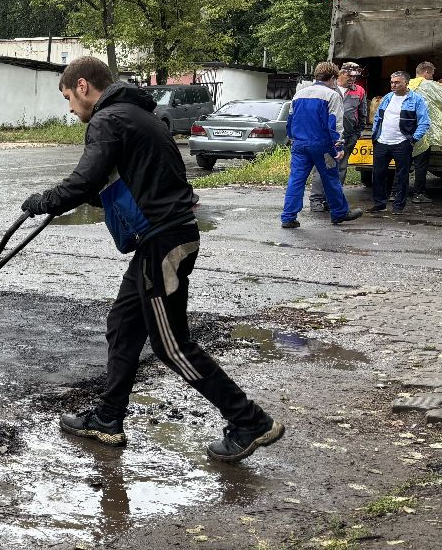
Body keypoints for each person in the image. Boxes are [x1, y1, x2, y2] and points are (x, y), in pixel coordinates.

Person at [20, 57, 284, 464]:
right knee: (124, 324)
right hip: (162, 238)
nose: (70, 108)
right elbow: (131, 179)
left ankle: (249, 420)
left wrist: (43, 201)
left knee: (171, 345)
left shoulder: (108, 120)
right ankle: (108, 417)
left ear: (83, 86)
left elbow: (85, 180)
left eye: (68, 97)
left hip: (164, 242)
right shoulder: (140, 115)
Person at [282, 62, 360, 229]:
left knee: (296, 180)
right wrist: (338, 147)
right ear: (332, 78)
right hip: (322, 146)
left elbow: (290, 121)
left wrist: (292, 138)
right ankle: (339, 213)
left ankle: (288, 217)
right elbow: (335, 124)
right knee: (331, 179)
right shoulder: (332, 95)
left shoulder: (298, 94)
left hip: (299, 145)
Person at [370, 71, 432, 213]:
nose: (393, 85)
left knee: (402, 176)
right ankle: (379, 203)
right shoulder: (387, 97)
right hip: (382, 142)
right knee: (378, 174)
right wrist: (375, 135)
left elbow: (424, 123)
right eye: (392, 82)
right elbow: (378, 117)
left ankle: (398, 206)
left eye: (397, 82)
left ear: (406, 83)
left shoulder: (416, 100)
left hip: (402, 143)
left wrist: (412, 139)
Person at [308, 61, 365, 212]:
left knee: (341, 169)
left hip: (347, 137)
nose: (353, 79)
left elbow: (362, 114)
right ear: (341, 73)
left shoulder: (359, 91)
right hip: (327, 137)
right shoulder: (329, 88)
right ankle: (316, 200)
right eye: (350, 75)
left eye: (355, 76)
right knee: (322, 168)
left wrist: (356, 134)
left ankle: (332, 200)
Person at [407, 61, 442, 201]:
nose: (432, 77)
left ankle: (395, 193)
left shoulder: (406, 84)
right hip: (422, 132)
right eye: (432, 74)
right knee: (421, 163)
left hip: (405, 129)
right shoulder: (429, 85)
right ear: (426, 72)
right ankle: (419, 193)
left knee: (403, 162)